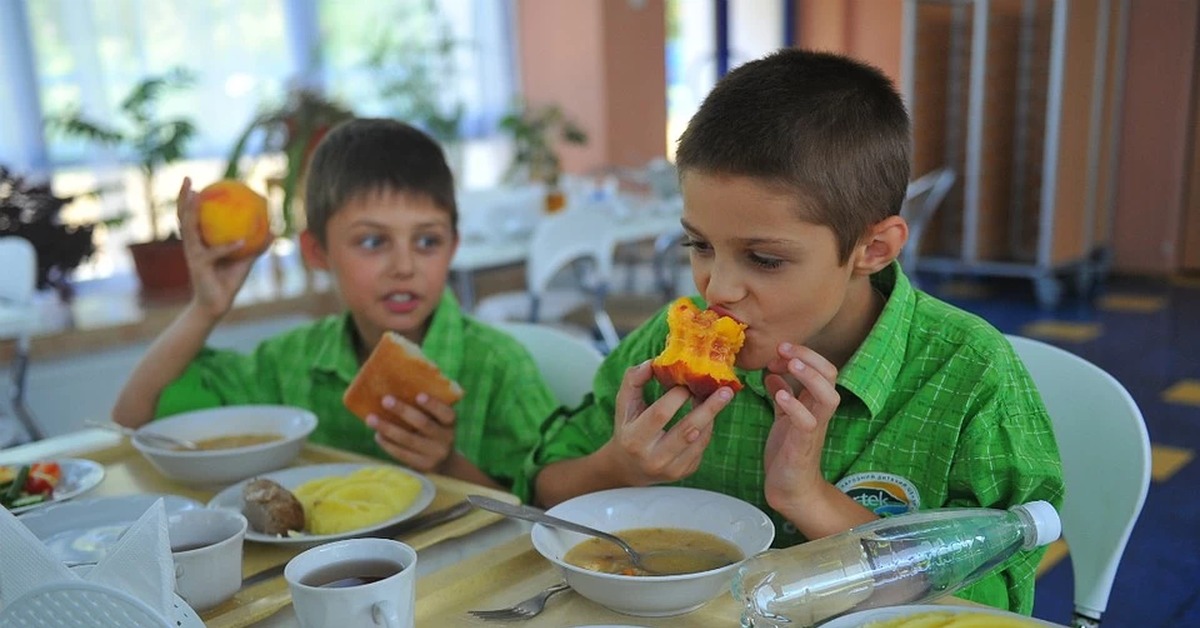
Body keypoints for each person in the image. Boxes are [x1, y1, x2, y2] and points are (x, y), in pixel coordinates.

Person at [517, 49, 1063, 613]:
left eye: (765, 259)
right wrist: (618, 466)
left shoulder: (970, 375)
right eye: (699, 245)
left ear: (872, 249)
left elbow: (994, 601)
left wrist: (810, 497)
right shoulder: (660, 344)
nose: (717, 289)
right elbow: (538, 491)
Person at [112, 118, 559, 492]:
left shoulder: (500, 368)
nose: (404, 266)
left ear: (453, 246)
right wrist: (205, 309)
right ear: (317, 252)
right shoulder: (289, 363)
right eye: (372, 241)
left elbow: (550, 516)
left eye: (427, 241)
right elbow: (134, 421)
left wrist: (447, 465)